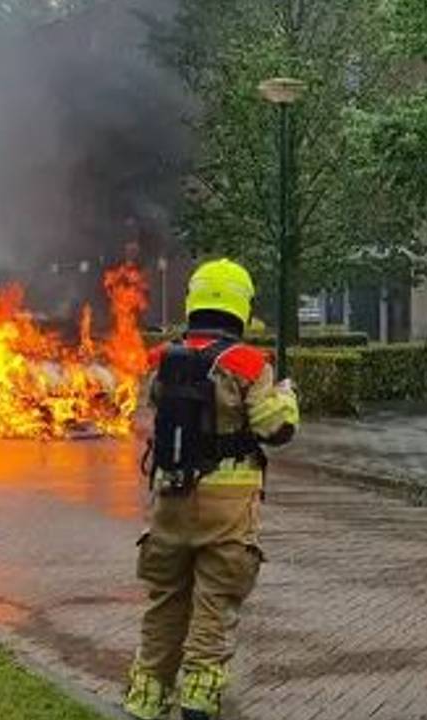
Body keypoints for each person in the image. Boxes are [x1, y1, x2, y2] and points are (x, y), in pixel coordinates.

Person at [124, 258, 300, 720]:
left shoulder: (162, 359)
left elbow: (148, 415)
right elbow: (275, 428)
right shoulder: (249, 364)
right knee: (214, 604)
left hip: (169, 499)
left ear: (194, 299)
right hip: (227, 508)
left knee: (164, 603)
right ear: (241, 304)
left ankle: (146, 698)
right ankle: (199, 700)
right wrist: (287, 397)